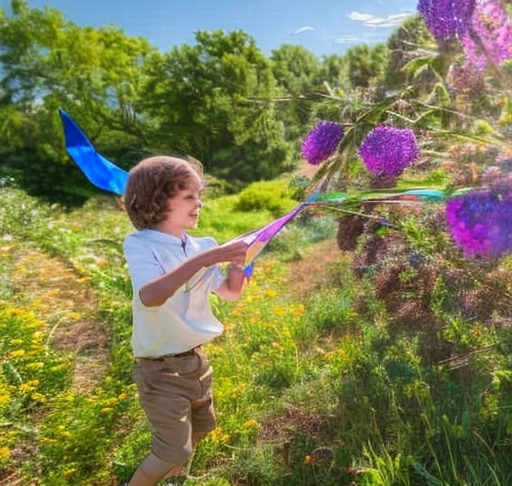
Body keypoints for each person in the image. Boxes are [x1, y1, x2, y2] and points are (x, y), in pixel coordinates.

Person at [121, 155, 248, 486]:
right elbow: (151, 296)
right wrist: (209, 258)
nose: (199, 203)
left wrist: (237, 267)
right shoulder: (141, 244)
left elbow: (229, 292)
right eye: (189, 195)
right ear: (158, 199)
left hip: (196, 362)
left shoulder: (202, 244)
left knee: (201, 429)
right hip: (159, 369)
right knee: (173, 450)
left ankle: (171, 479)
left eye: (199, 195)